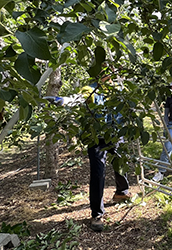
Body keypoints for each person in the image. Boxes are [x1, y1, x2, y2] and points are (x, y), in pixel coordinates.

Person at [48, 78, 133, 232]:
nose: (108, 74)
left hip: (115, 134)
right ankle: (97, 214)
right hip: (96, 137)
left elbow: (130, 106)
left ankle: (121, 192)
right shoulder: (90, 89)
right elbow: (77, 99)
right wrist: (61, 100)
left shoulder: (120, 88)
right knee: (98, 173)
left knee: (120, 163)